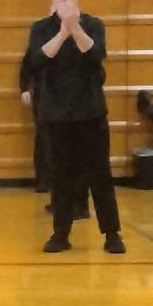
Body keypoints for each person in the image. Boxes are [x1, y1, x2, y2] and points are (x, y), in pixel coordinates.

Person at [23, 0, 125, 254]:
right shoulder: (41, 28)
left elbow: (95, 54)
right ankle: (60, 233)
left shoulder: (94, 25)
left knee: (100, 174)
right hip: (56, 115)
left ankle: (112, 233)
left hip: (91, 112)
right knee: (61, 176)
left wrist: (74, 27)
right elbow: (38, 59)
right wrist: (62, 32)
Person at [20, 35, 90, 219]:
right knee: (54, 154)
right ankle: (59, 200)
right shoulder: (44, 40)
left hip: (75, 107)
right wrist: (25, 88)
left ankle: (80, 205)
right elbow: (29, 64)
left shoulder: (80, 42)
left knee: (75, 155)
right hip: (51, 105)